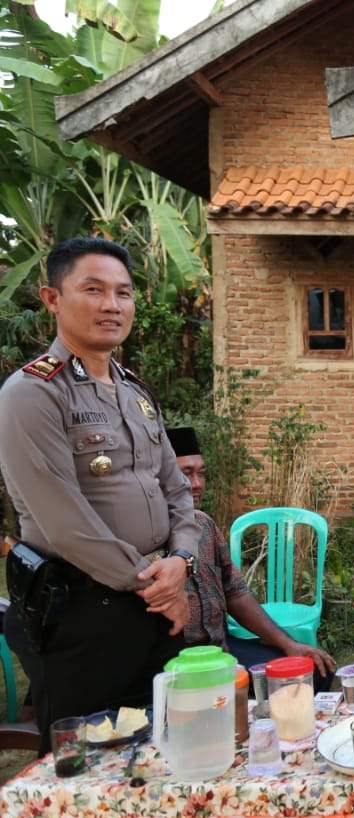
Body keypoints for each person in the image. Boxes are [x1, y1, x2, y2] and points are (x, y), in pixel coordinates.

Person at [0, 237, 196, 753]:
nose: (112, 305)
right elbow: (64, 522)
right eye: (93, 289)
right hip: (85, 612)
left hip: (155, 606)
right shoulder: (34, 392)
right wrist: (158, 587)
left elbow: (176, 491)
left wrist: (181, 562)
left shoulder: (135, 392)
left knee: (161, 755)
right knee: (87, 764)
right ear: (52, 299)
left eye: (123, 293)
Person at [167, 427, 336, 684]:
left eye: (201, 474)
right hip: (177, 664)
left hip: (222, 651)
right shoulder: (147, 537)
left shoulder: (204, 526)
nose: (197, 484)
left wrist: (289, 644)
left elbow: (235, 592)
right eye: (185, 474)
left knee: (312, 673)